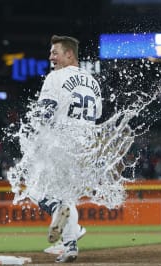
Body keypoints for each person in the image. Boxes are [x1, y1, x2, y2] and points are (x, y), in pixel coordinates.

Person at [29, 35, 102, 263]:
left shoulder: (56, 77)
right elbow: (97, 116)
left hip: (61, 143)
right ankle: (71, 242)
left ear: (69, 54)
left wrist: (34, 137)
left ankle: (59, 213)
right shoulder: (93, 81)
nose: (51, 56)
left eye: (55, 52)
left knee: (32, 187)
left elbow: (45, 111)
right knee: (67, 195)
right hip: (85, 147)